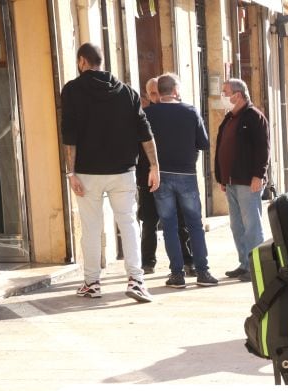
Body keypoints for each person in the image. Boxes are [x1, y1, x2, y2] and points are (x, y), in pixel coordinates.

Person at [61, 43, 155, 302]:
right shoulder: (127, 92)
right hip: (123, 171)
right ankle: (136, 280)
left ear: (82, 61)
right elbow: (145, 131)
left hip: (87, 172)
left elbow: (69, 133)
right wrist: (154, 166)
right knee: (128, 223)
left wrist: (71, 172)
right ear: (101, 62)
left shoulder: (72, 90)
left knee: (91, 228)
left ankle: (92, 283)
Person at [144, 73, 218, 288]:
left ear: (161, 91)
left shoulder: (148, 114)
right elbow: (203, 143)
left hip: (161, 175)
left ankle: (177, 274)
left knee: (169, 225)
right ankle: (203, 272)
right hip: (186, 175)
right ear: (175, 90)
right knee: (195, 224)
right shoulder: (191, 111)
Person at [214, 78, 270, 280]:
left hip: (248, 181)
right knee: (236, 225)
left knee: (252, 224)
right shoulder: (229, 117)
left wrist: (259, 175)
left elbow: (263, 149)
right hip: (230, 181)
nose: (223, 96)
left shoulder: (255, 117)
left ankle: (257, 268)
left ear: (237, 95)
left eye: (225, 91)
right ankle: (245, 264)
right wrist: (221, 176)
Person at [138, 77, 193, 276]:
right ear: (148, 95)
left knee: (180, 221)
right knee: (149, 221)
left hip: (174, 177)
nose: (156, 97)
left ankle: (187, 260)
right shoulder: (144, 116)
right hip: (149, 179)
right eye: (152, 94)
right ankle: (147, 262)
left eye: (157, 92)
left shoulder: (178, 113)